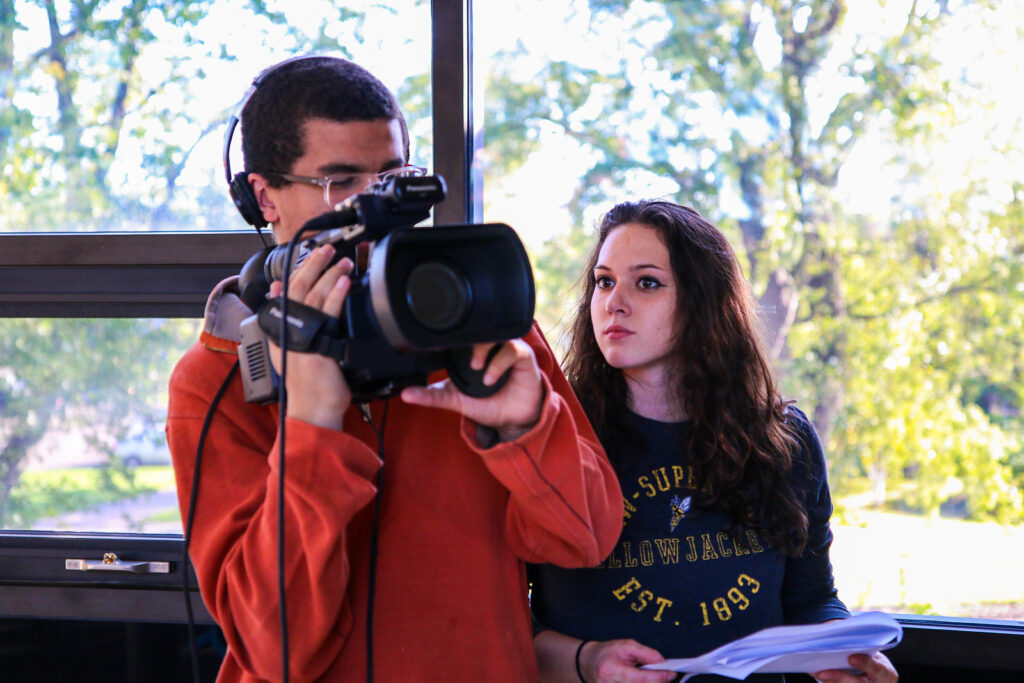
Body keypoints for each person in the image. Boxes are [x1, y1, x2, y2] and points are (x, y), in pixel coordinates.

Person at [166, 55, 622, 682]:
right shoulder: (214, 379)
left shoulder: (478, 319)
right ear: (264, 197)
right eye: (341, 181)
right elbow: (277, 650)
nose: (376, 208)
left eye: (391, 176)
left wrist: (527, 430)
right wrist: (311, 426)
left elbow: (587, 538)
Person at [529, 200, 898, 683]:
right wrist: (588, 661)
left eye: (647, 282)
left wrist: (847, 656)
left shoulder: (785, 441)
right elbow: (501, 618)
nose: (613, 302)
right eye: (603, 281)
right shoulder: (549, 439)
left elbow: (812, 600)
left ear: (704, 301)